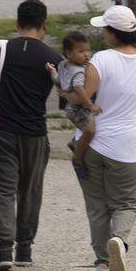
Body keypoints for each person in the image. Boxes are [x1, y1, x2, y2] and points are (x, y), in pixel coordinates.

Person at [0, 0, 62, 271]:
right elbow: (69, 90)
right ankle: (25, 250)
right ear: (44, 25)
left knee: (2, 190)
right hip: (35, 134)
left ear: (17, 23)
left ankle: (4, 250)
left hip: (0, 131)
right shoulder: (52, 57)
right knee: (30, 191)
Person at [77, 3, 136, 271]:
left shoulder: (100, 60)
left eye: (104, 28)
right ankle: (119, 239)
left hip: (92, 144)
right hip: (127, 145)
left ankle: (102, 263)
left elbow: (83, 100)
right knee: (126, 203)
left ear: (113, 32)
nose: (102, 33)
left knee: (97, 206)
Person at [47, 29, 98, 168]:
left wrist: (52, 71)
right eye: (81, 52)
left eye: (88, 50)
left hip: (70, 106)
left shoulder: (64, 64)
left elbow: (57, 80)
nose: (86, 54)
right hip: (76, 108)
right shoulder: (79, 71)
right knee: (90, 131)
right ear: (69, 53)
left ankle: (75, 141)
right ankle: (78, 156)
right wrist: (89, 105)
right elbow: (79, 89)